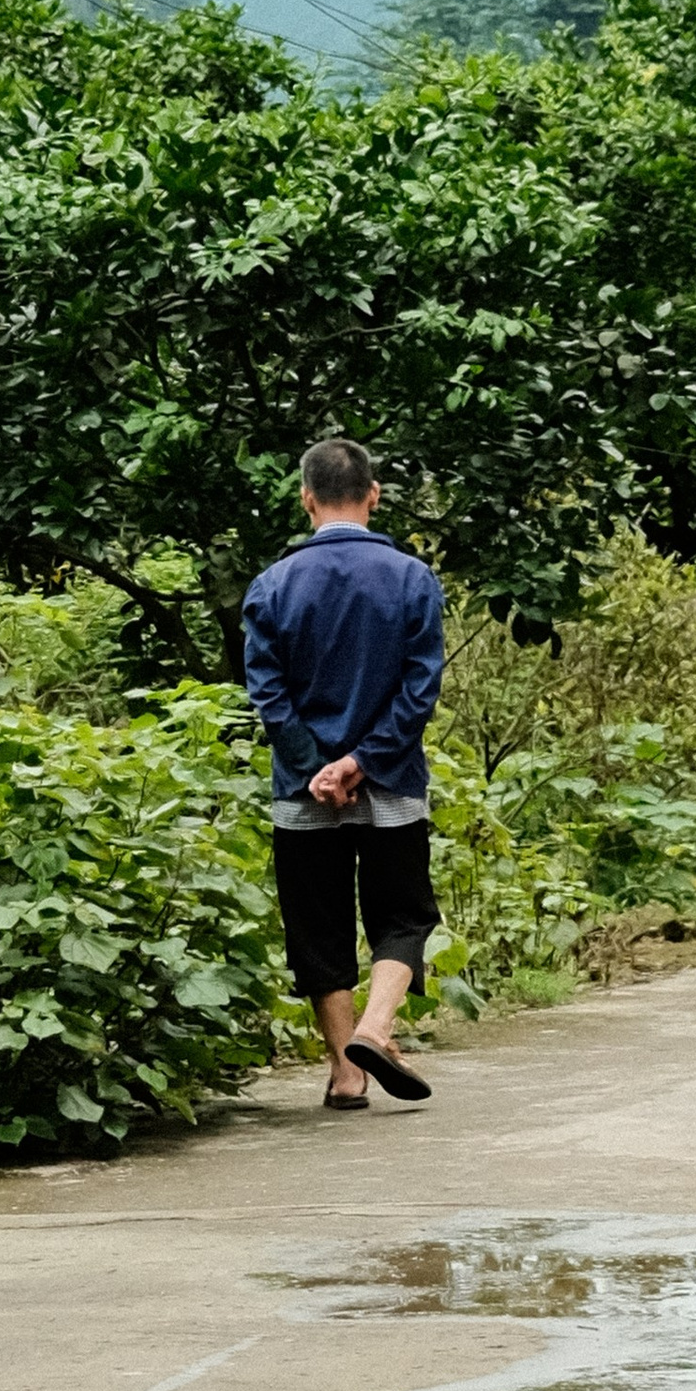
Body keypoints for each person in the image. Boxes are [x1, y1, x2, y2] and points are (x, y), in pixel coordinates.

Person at [241, 434, 444, 1110]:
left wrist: (315, 768)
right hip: (391, 783)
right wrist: (364, 762)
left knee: (317, 925)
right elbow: (420, 689)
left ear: (306, 499)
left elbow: (266, 692)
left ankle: (345, 1073)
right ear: (374, 496)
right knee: (403, 916)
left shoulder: (272, 585)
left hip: (302, 795)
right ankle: (376, 1028)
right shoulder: (414, 579)